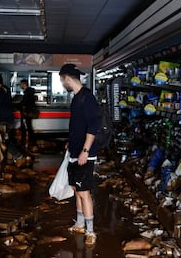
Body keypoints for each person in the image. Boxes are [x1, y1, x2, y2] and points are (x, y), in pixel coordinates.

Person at [59, 63, 99, 247]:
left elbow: (93, 127)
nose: (62, 84)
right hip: (75, 151)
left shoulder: (87, 98)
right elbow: (78, 126)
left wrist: (85, 150)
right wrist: (72, 143)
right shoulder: (77, 98)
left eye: (62, 80)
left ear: (67, 78)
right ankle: (80, 224)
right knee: (76, 190)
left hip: (85, 154)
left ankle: (91, 231)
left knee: (84, 192)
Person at [19, 79, 37, 152]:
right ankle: (31, 143)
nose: (20, 86)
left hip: (26, 113)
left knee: (25, 128)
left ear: (24, 84)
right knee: (29, 128)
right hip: (28, 113)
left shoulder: (27, 93)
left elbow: (24, 103)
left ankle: (25, 143)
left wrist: (17, 105)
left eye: (21, 84)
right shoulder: (30, 92)